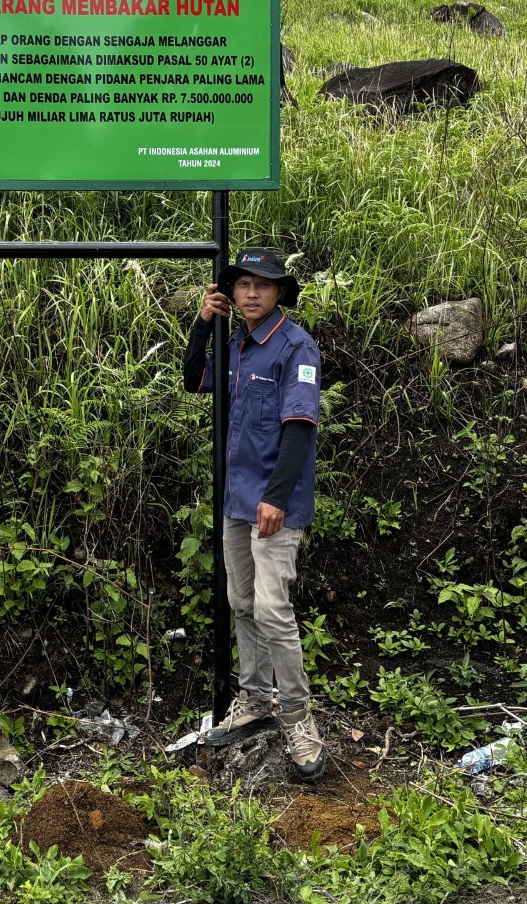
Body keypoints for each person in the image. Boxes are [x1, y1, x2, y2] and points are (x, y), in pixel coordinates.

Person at [182, 248, 326, 781]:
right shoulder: (236, 343)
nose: (250, 293)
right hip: (236, 502)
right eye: (242, 284)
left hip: (274, 506)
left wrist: (277, 498)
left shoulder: (295, 347)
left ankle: (296, 716)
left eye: (262, 285)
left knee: (271, 608)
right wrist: (202, 324)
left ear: (280, 292)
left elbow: (298, 426)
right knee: (241, 601)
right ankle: (255, 697)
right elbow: (193, 379)